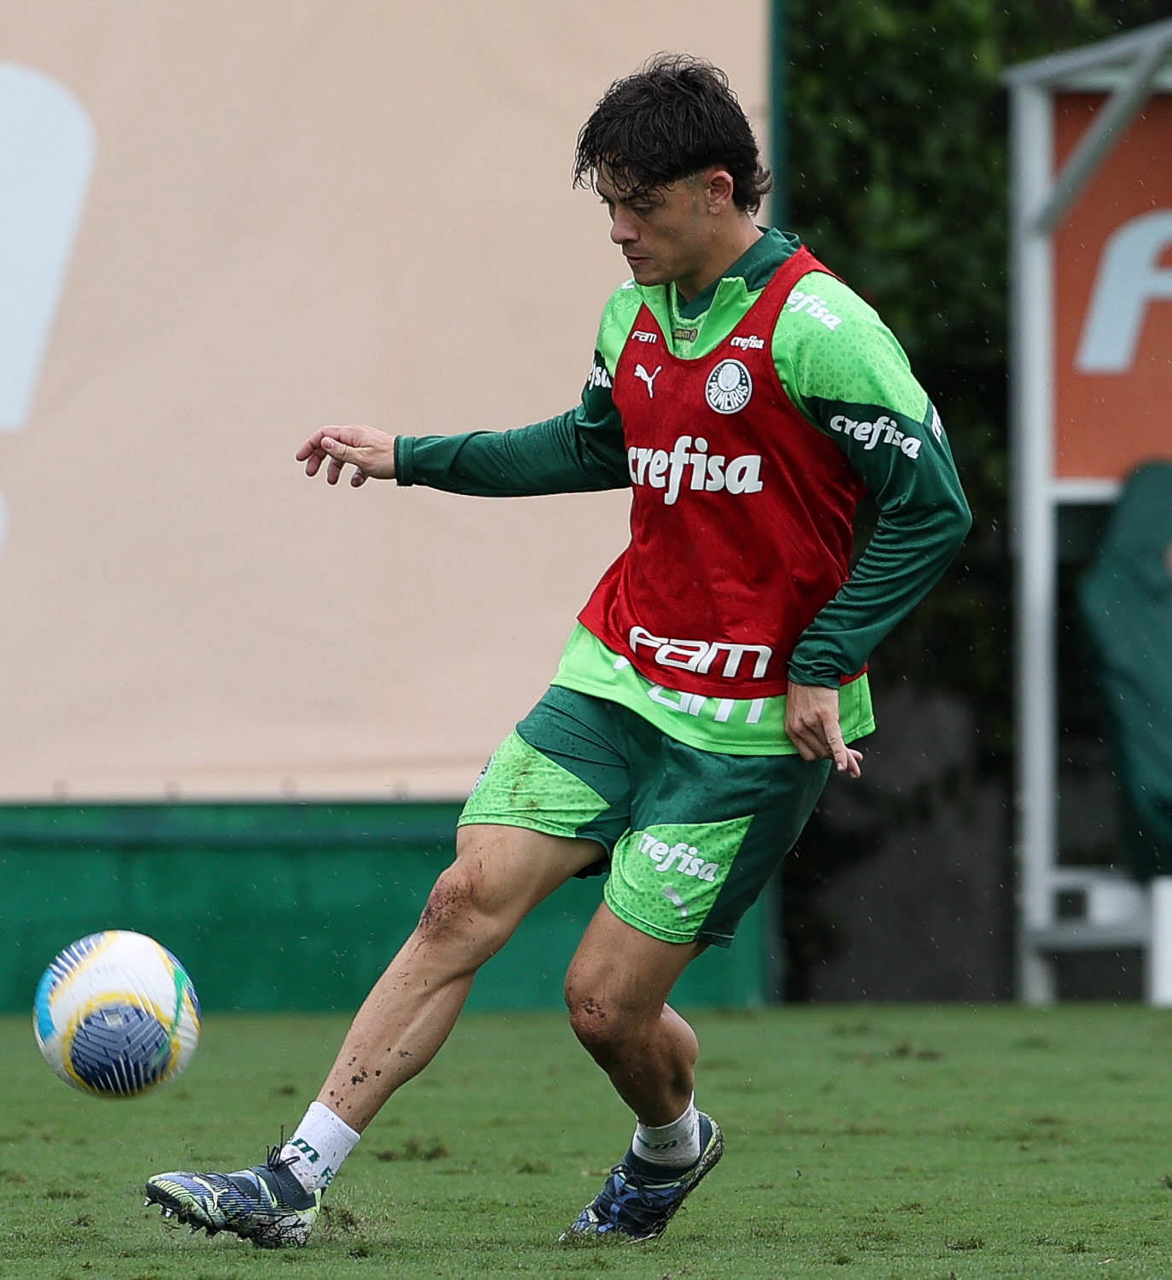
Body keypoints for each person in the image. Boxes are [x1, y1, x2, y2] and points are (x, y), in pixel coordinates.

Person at [144, 53, 971, 1249]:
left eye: (638, 204)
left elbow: (932, 505)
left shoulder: (820, 328)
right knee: (459, 900)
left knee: (602, 1006)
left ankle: (669, 1144)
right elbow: (593, 444)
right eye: (609, 206)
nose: (619, 230)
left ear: (716, 188)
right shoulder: (633, 313)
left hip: (743, 736)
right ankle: (289, 1179)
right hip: (616, 676)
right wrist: (411, 455)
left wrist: (822, 656)